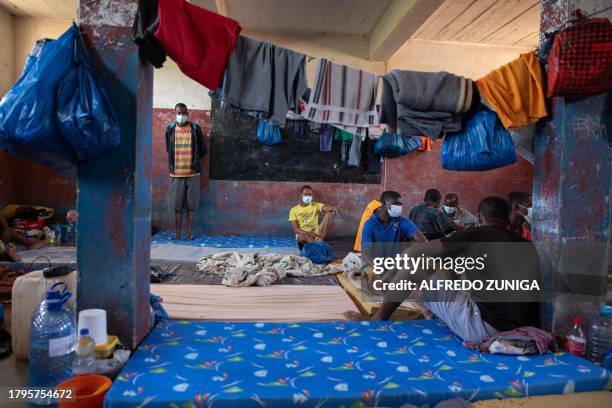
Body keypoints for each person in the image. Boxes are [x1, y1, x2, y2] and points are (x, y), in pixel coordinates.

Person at [346, 196, 540, 343]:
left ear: (480, 217)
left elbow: (416, 252)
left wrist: (390, 272)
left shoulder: (475, 235)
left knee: (418, 266)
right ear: (507, 218)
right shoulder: (526, 243)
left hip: (486, 328)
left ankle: (378, 318)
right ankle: (431, 312)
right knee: (447, 271)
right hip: (523, 327)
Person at [165, 103, 207, 241]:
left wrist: (193, 162)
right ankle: (177, 234)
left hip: (193, 174)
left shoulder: (195, 129)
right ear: (174, 113)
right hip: (175, 174)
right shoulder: (170, 129)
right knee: (177, 207)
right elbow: (168, 148)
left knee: (191, 205)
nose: (181, 116)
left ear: (187, 113)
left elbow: (202, 150)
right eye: (179, 113)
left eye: (184, 113)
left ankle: (188, 234)